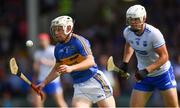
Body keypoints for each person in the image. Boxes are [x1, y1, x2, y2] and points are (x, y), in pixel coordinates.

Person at [36, 16, 115, 107]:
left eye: (59, 29)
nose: (56, 33)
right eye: (54, 30)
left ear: (68, 28)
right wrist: (44, 82)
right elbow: (57, 69)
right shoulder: (58, 48)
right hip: (79, 85)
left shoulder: (78, 41)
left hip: (94, 80)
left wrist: (71, 68)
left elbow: (90, 61)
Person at [119, 4, 179, 107]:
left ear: (144, 18)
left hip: (162, 74)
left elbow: (164, 57)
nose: (133, 23)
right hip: (144, 77)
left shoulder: (154, 34)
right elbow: (129, 45)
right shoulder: (127, 32)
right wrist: (125, 62)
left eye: (136, 19)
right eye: (130, 19)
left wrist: (147, 70)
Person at [32, 33, 68, 107]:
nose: (41, 42)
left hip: (53, 80)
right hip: (41, 80)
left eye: (43, 40)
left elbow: (59, 63)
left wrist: (46, 62)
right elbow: (36, 69)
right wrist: (36, 66)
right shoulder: (37, 53)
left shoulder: (53, 49)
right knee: (37, 103)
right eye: (40, 40)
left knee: (60, 102)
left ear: (48, 40)